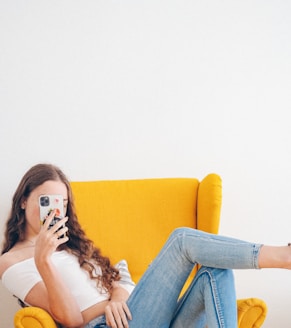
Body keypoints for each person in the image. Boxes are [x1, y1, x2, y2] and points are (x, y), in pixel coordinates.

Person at [0, 164, 291, 328]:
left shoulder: (72, 247)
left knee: (217, 273)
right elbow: (71, 320)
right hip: (107, 326)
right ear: (24, 200)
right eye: (46, 201)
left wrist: (116, 296)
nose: (55, 212)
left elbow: (118, 275)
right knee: (181, 240)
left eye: (62, 204)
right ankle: (282, 256)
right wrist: (44, 261)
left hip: (136, 315)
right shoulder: (12, 262)